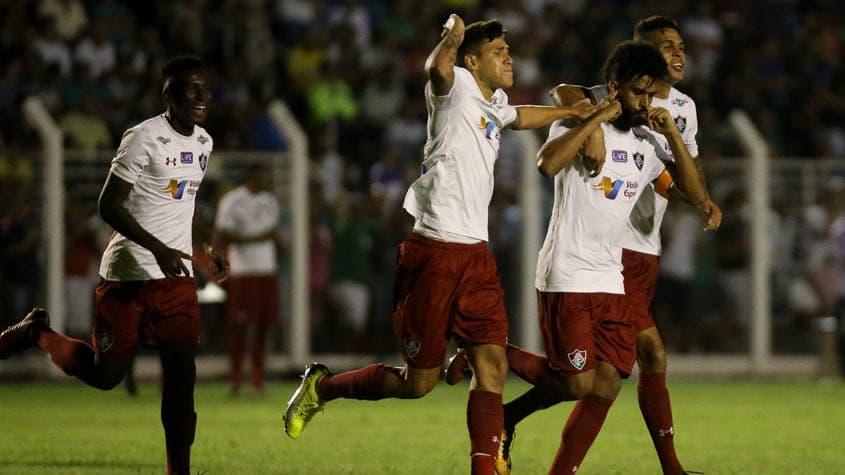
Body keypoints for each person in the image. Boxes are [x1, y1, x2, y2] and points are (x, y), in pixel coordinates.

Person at [283, 14, 595, 474]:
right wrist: (450, 36)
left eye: (509, 50)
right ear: (472, 60)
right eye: (498, 52)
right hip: (433, 251)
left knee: (492, 367)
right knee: (418, 383)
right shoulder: (456, 88)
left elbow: (518, 116)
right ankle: (323, 387)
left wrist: (568, 113)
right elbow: (436, 70)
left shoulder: (494, 101)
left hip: (476, 256)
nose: (509, 57)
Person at [448, 17, 722, 475]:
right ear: (615, 89)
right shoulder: (585, 123)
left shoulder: (650, 138)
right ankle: (484, 349)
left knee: (608, 381)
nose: (647, 103)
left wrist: (671, 135)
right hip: (568, 272)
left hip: (610, 278)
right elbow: (546, 162)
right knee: (579, 382)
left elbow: (692, 191)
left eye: (652, 95)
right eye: (639, 93)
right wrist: (594, 118)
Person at [0, 55, 227, 475]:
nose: (201, 97)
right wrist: (157, 247)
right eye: (190, 88)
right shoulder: (143, 137)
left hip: (174, 280)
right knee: (107, 376)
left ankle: (179, 470)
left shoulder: (203, 143)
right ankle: (37, 333)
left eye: (205, 88)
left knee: (181, 377)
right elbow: (109, 205)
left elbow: (183, 201)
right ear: (168, 94)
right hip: (128, 274)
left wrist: (206, 242)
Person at [214, 163, 281, 396]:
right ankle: (235, 378)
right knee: (239, 326)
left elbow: (273, 234)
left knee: (263, 325)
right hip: (243, 271)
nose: (267, 181)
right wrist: (257, 239)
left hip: (266, 269)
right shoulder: (232, 201)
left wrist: (252, 238)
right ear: (253, 177)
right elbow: (222, 234)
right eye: (264, 175)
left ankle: (256, 379)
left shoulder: (270, 201)